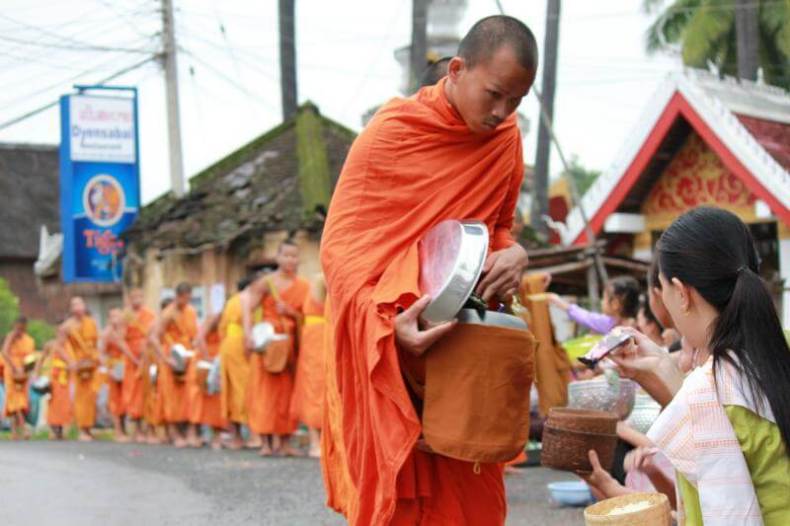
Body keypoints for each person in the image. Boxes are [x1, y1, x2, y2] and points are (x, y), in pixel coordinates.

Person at [320, 15, 538, 525]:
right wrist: (386, 330)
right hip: (394, 348)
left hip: (462, 347)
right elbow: (343, 250)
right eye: (494, 94)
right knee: (403, 499)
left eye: (517, 101)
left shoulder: (505, 140)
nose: (503, 112)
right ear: (457, 69)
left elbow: (497, 227)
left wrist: (516, 255)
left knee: (469, 492)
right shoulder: (391, 133)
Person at [605, 207, 790, 525]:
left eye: (663, 291)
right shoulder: (779, 345)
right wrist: (664, 367)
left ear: (681, 293)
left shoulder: (706, 392)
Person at [246, 241, 309, 457]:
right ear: (278, 258)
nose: (290, 260)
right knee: (264, 394)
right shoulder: (266, 282)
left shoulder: (304, 286)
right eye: (286, 256)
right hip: (267, 344)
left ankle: (284, 442)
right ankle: (265, 442)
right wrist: (249, 335)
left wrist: (292, 313)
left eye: (294, 256)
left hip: (289, 346)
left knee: (286, 395)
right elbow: (249, 308)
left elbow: (307, 316)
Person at [149, 283, 199, 448]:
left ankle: (190, 431)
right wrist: (165, 358)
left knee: (190, 394)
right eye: (185, 298)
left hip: (188, 356)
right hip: (170, 357)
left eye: (189, 299)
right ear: (178, 296)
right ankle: (174, 432)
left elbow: (194, 335)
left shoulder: (191, 311)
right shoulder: (167, 313)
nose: (187, 302)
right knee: (170, 396)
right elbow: (154, 338)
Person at [219, 274, 263, 449]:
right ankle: (253, 435)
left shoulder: (233, 300)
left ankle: (237, 436)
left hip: (228, 345)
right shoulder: (246, 298)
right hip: (240, 345)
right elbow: (247, 322)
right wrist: (248, 340)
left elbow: (222, 327)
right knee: (245, 388)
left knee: (233, 388)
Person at [289, 272, 328, 458]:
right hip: (321, 335)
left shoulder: (316, 279)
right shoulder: (323, 278)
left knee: (315, 387)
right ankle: (315, 442)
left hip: (314, 334)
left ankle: (318, 441)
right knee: (317, 388)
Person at [547, 275, 640, 334]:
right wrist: (558, 301)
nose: (602, 302)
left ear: (615, 304)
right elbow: (587, 317)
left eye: (604, 298)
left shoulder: (623, 330)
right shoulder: (613, 323)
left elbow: (587, 317)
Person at [62, 297, 100, 442]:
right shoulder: (67, 326)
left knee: (91, 396)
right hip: (78, 365)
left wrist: (97, 357)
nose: (77, 307)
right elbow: (60, 346)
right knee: (79, 398)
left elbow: (96, 343)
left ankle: (88, 428)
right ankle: (81, 430)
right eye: (74, 305)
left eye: (80, 304)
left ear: (85, 306)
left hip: (91, 363)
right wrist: (70, 361)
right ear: (71, 308)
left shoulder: (91, 322)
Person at [99, 308, 138, 442]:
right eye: (113, 316)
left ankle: (126, 430)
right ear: (109, 319)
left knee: (126, 399)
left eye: (118, 316)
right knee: (115, 401)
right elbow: (102, 353)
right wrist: (107, 368)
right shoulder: (107, 333)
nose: (116, 319)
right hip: (114, 368)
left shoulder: (124, 330)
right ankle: (118, 431)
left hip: (126, 368)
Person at [189, 311, 227, 450]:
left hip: (218, 360)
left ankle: (216, 436)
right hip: (204, 361)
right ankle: (193, 434)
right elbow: (199, 339)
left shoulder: (230, 320)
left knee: (216, 399)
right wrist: (207, 358)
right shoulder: (213, 317)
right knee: (198, 399)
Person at [123, 288, 156, 442]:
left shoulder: (149, 315)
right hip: (131, 360)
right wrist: (133, 357)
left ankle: (148, 429)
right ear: (129, 299)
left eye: (140, 296)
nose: (137, 299)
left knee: (147, 393)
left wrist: (145, 353)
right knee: (132, 393)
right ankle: (136, 431)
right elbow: (121, 338)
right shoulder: (126, 316)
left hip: (146, 357)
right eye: (134, 296)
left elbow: (153, 335)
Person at [1, 317, 36, 439]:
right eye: (17, 328)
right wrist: (14, 366)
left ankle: (14, 432)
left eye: (21, 328)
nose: (19, 331)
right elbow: (4, 352)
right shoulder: (10, 337)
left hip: (23, 373)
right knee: (13, 400)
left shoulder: (29, 340)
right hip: (11, 371)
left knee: (21, 401)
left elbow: (31, 359)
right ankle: (24, 427)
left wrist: (26, 370)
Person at [44, 326, 73, 440]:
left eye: (65, 334)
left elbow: (71, 362)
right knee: (54, 404)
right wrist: (37, 373)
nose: (63, 336)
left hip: (66, 378)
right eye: (60, 333)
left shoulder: (70, 346)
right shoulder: (52, 345)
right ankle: (53, 429)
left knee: (65, 405)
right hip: (55, 378)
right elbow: (42, 358)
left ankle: (61, 430)